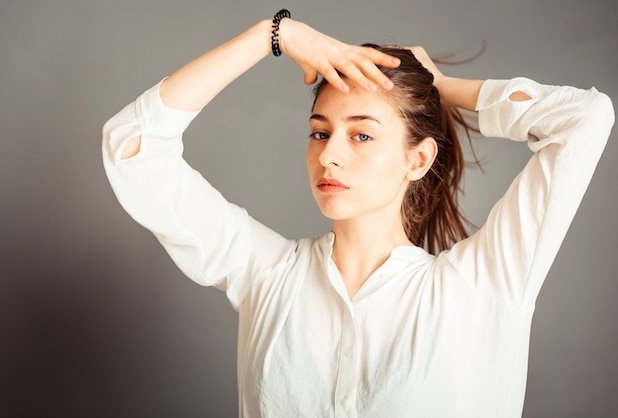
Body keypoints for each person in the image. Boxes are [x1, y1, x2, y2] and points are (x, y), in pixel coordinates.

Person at [102, 10, 614, 418]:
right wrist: (269, 35)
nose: (329, 155)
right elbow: (133, 147)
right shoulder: (267, 276)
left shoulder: (481, 287)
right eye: (320, 132)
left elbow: (583, 120)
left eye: (361, 135)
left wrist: (440, 86)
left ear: (418, 159)